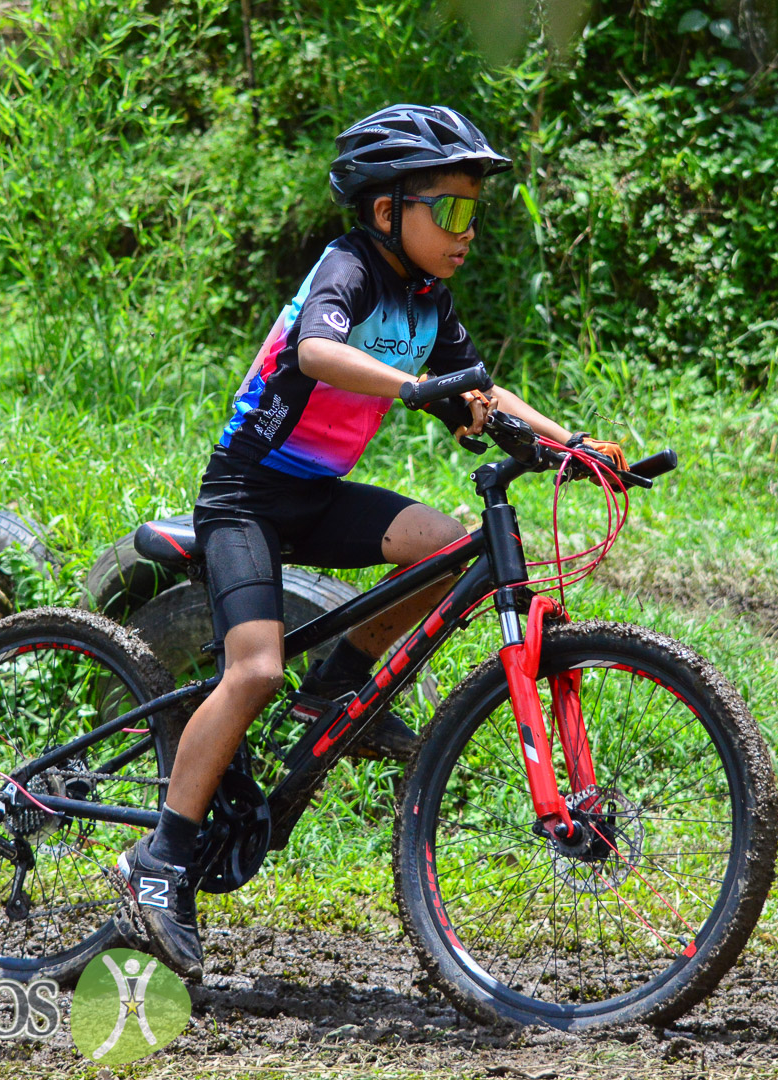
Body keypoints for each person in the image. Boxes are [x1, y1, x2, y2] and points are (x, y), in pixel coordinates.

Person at [119, 103, 627, 980]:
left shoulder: (429, 298)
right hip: (247, 496)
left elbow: (484, 390)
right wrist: (415, 388)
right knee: (253, 671)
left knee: (447, 548)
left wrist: (574, 447)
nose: (467, 231)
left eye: (476, 211)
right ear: (389, 209)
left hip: (317, 496)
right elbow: (316, 353)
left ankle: (337, 688)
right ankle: (155, 863)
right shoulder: (348, 267)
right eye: (452, 210)